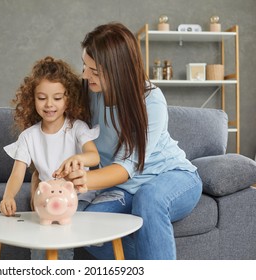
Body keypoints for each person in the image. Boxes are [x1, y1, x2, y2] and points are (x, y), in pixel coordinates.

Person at [55, 22, 203, 260]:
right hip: (123, 187)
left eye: (94, 71)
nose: (85, 75)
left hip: (172, 176)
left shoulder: (150, 100)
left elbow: (125, 167)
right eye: (85, 66)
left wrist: (83, 180)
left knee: (149, 198)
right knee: (86, 230)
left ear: (117, 70)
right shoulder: (89, 91)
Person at [0, 55, 100, 217]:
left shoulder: (77, 128)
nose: (49, 104)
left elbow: (94, 157)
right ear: (32, 99)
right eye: (42, 98)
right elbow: (17, 174)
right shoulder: (28, 136)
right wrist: (8, 197)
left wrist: (78, 159)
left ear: (69, 99)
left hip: (80, 195)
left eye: (57, 98)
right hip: (49, 198)